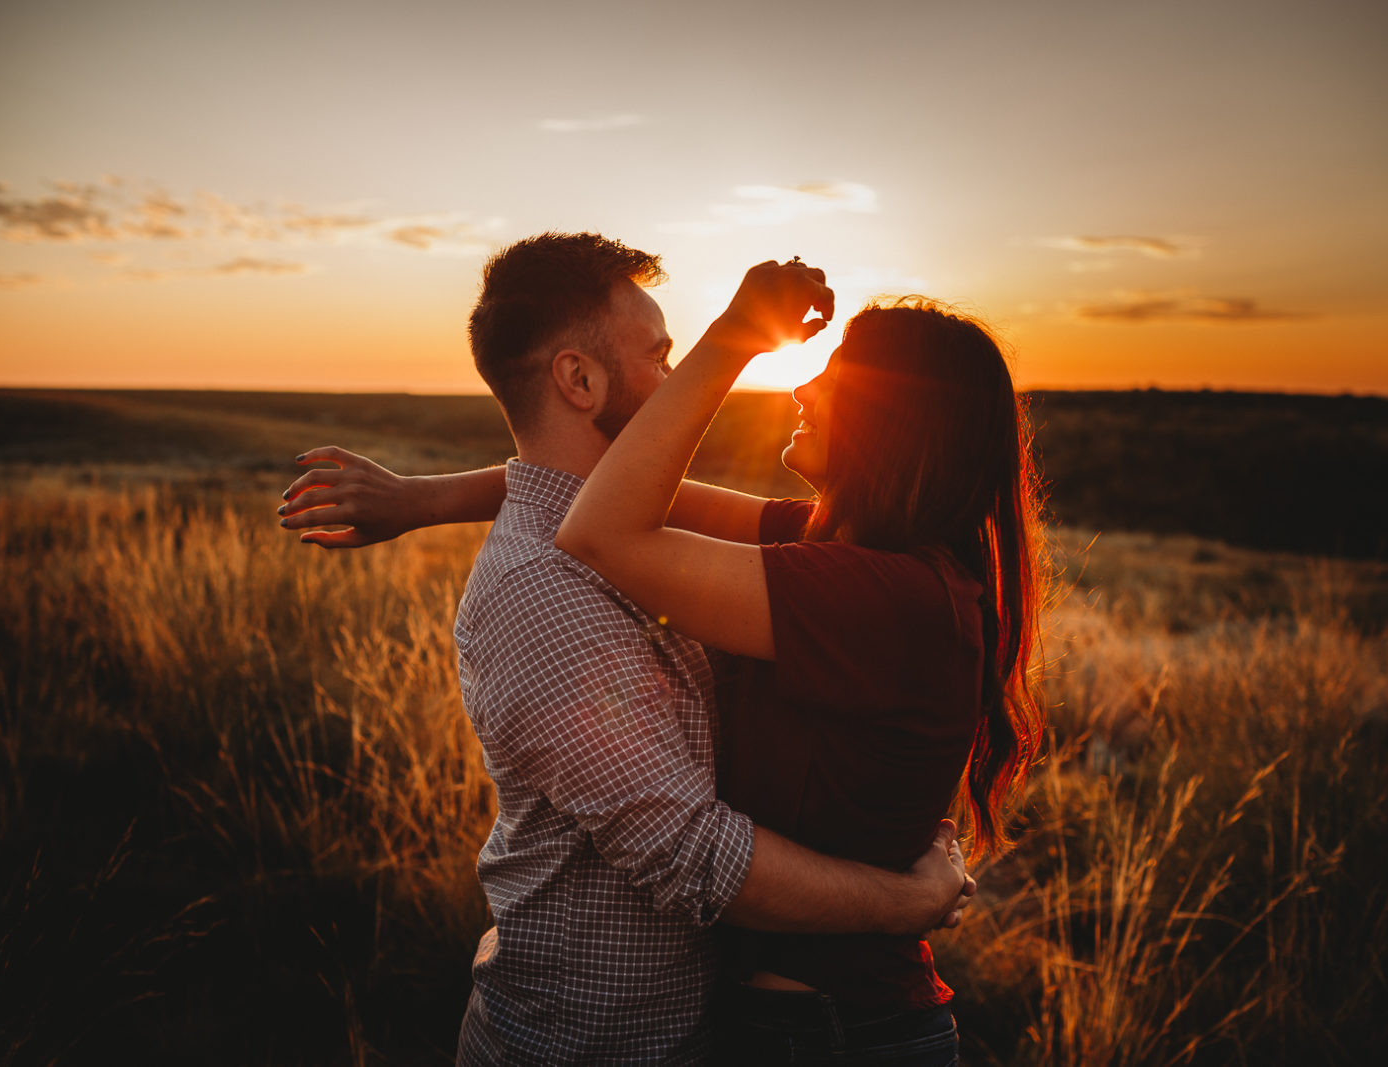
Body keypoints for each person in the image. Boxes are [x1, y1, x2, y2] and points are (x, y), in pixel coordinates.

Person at [278, 233, 974, 1065]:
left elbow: (587, 498)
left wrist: (421, 498)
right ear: (578, 380)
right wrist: (902, 903)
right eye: (662, 357)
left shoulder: (837, 571)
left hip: (746, 1033)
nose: (680, 382)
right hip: (584, 1045)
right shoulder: (543, 593)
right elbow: (692, 853)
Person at [553, 262, 1045, 1062]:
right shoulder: (832, 549)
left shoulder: (878, 594)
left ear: (898, 419)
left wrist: (737, 337)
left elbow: (600, 530)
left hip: (827, 1034)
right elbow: (601, 491)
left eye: (835, 374)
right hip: (820, 1025)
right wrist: (418, 502)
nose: (802, 389)